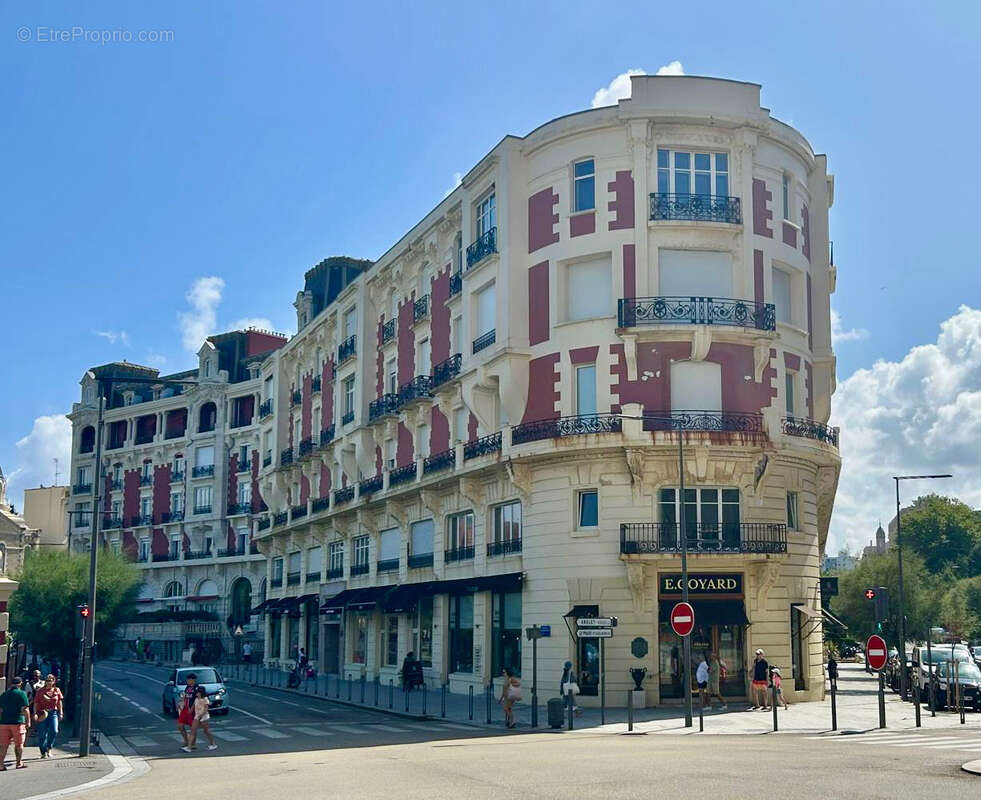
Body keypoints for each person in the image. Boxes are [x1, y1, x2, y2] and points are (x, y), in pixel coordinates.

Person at [0, 676, 32, 770]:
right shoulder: (22, 694)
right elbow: (25, 709)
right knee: (19, 744)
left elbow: (0, 709)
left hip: (4, 723)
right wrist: (28, 721)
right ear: (20, 684)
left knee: (3, 745)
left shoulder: (4, 694)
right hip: (17, 722)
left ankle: (1, 765)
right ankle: (19, 763)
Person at [33, 674, 64, 758]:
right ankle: (43, 752)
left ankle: (49, 748)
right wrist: (35, 713)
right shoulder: (40, 691)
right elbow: (36, 703)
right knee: (42, 734)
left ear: (54, 681)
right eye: (47, 680)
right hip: (42, 713)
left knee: (54, 730)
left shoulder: (56, 690)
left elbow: (59, 702)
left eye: (50, 680)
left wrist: (61, 712)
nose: (48, 682)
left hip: (53, 713)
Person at [186, 686, 218, 752]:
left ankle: (213, 744)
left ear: (201, 693)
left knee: (206, 731)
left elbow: (206, 709)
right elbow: (193, 706)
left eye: (198, 693)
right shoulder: (196, 699)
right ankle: (189, 747)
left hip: (204, 717)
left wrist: (201, 715)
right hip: (197, 716)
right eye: (196, 693)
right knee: (193, 730)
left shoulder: (205, 699)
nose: (196, 694)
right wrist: (189, 712)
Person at [177, 673, 198, 751]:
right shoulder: (187, 687)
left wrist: (192, 709)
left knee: (192, 727)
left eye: (189, 680)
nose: (188, 681)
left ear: (194, 680)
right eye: (187, 680)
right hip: (185, 708)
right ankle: (186, 740)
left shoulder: (197, 688)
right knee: (180, 725)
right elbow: (185, 697)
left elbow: (197, 700)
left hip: (193, 710)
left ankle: (193, 743)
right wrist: (180, 703)